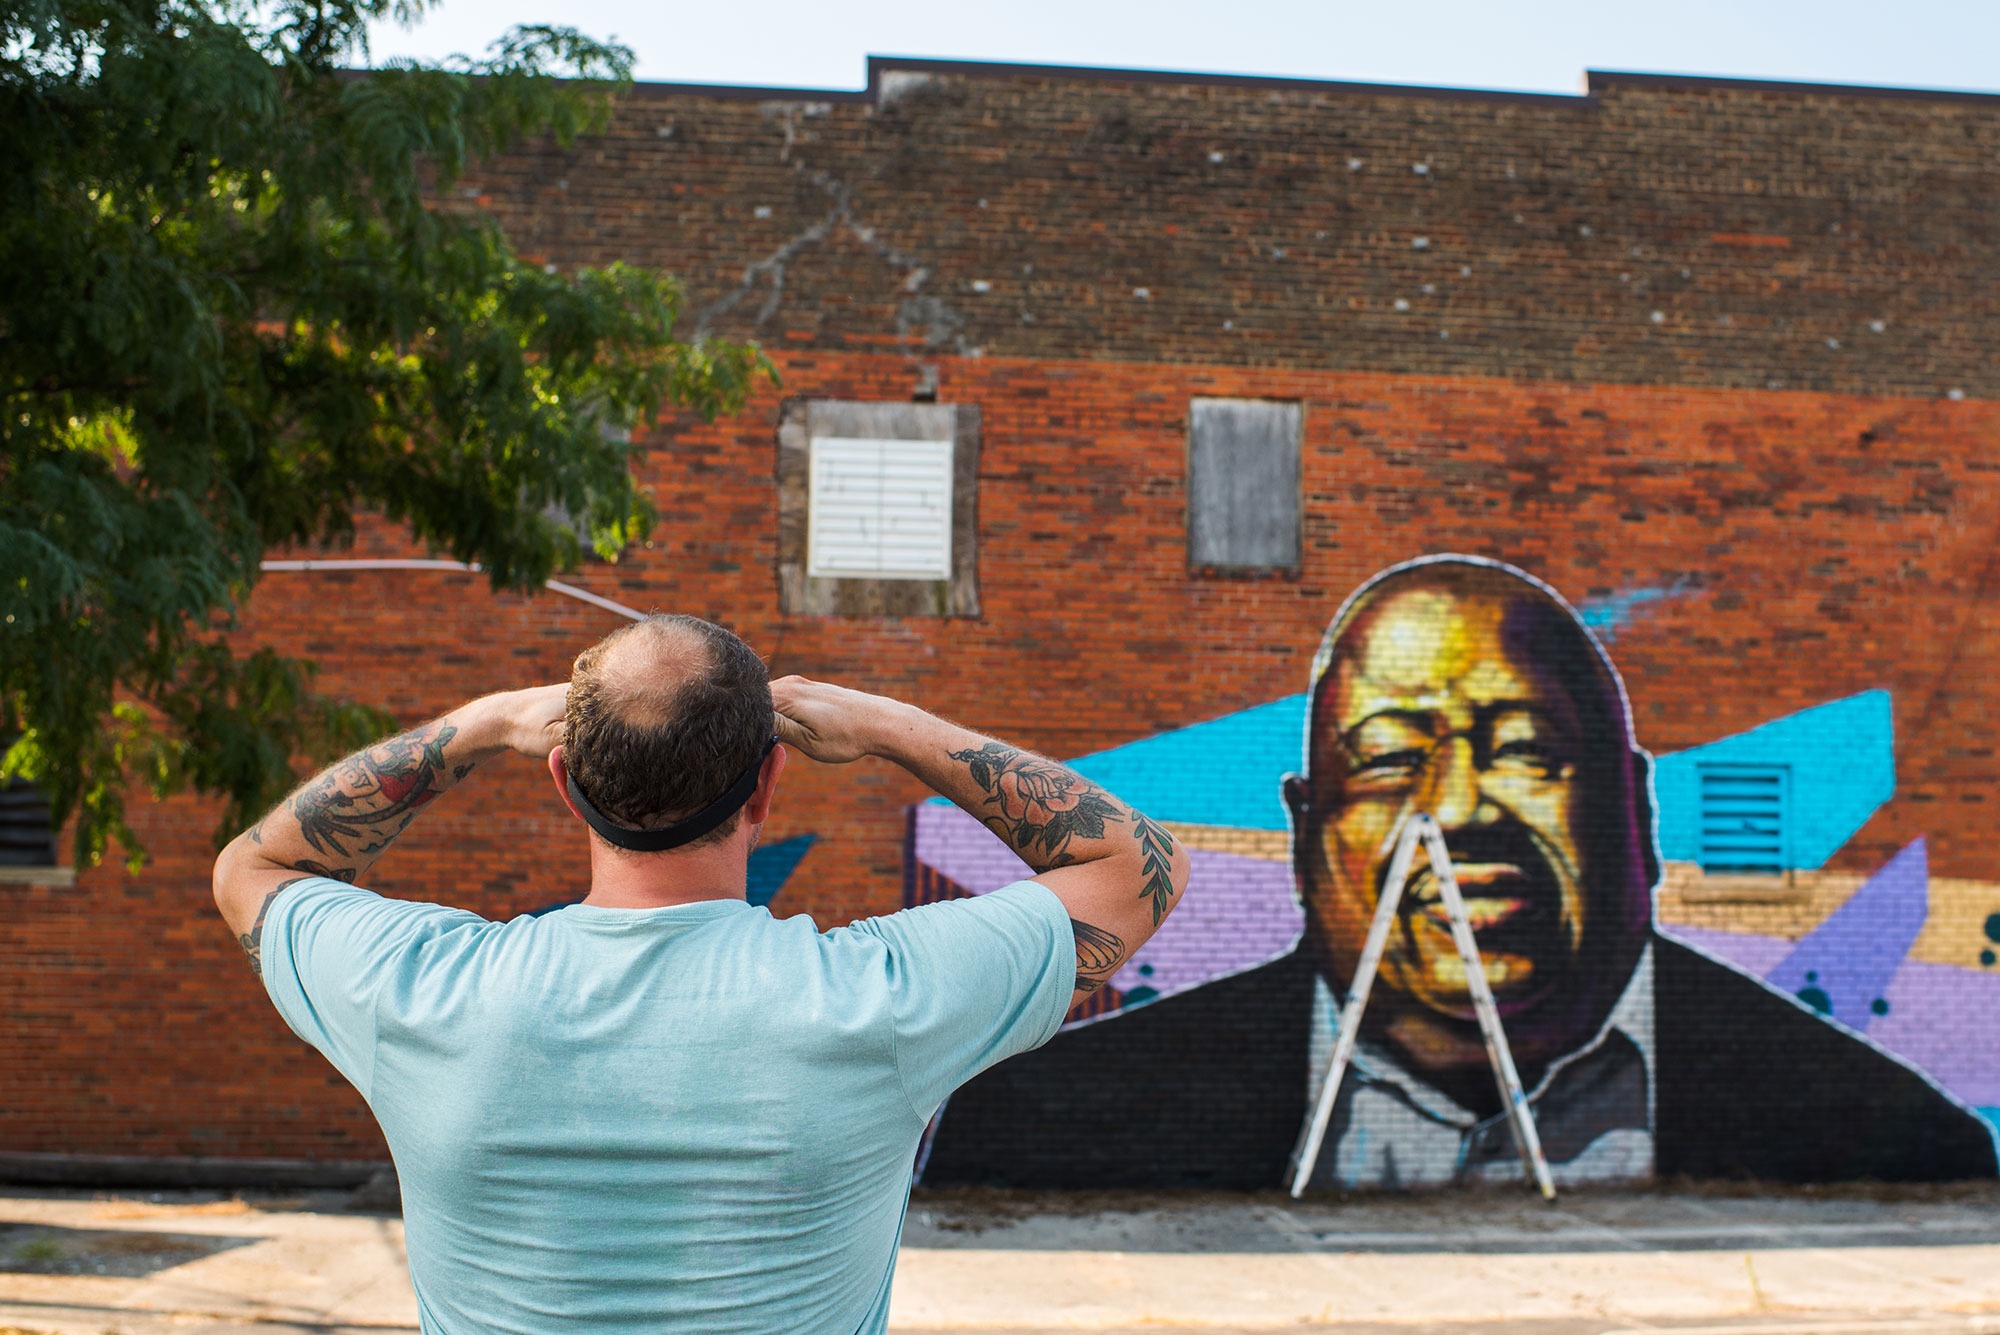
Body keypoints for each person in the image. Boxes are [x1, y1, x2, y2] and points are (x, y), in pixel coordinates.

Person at [211, 614, 1189, 1333]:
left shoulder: (419, 990)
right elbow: (1138, 865)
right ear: (768, 783)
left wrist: (478, 724)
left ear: (563, 782)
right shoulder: (875, 1002)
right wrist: (887, 726)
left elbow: (253, 868)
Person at [919, 556, 1998, 1189]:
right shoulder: (1047, 1119)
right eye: (1387, 759)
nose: (1453, 810)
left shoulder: (1888, 1127)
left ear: (1633, 811)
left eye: (1527, 750)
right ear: (1306, 831)